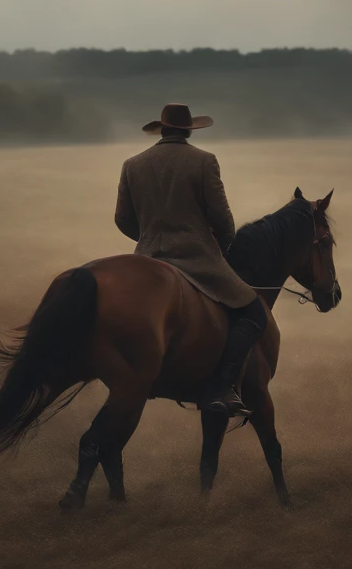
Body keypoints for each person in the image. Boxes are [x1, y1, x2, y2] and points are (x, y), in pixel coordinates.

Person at [114, 103, 267, 418]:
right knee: (253, 311)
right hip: (197, 259)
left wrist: (149, 240)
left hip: (147, 260)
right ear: (188, 130)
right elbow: (223, 221)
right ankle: (223, 387)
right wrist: (219, 248)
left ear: (162, 129)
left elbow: (122, 219)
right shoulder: (204, 161)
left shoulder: (133, 164)